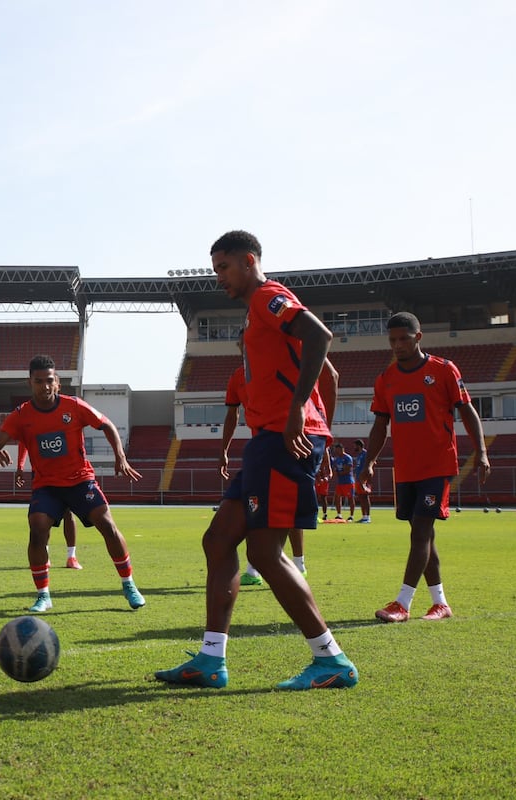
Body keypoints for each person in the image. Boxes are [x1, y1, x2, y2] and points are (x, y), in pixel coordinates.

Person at [155, 230, 357, 691]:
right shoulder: (254, 317)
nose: (218, 278)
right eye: (214, 271)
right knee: (218, 540)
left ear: (249, 261)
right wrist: (314, 420)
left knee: (264, 554)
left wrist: (298, 416)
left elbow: (320, 338)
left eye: (223, 268)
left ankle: (332, 660)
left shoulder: (269, 296)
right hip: (268, 441)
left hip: (283, 441)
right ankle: (211, 661)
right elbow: (330, 373)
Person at [0, 354, 144, 612]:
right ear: (30, 383)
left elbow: (107, 425)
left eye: (49, 381)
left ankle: (129, 585)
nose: (44, 386)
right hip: (47, 485)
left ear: (57, 382)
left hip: (80, 480)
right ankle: (43, 595)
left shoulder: (74, 406)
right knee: (37, 528)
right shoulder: (20, 415)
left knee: (107, 525)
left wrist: (120, 457)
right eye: (39, 381)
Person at [361, 312, 490, 623]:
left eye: (404, 339)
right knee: (424, 535)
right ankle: (440, 603)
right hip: (405, 469)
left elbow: (467, 411)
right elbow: (380, 425)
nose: (397, 345)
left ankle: (402, 604)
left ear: (418, 337)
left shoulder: (443, 370)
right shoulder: (386, 379)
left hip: (437, 464)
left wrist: (482, 452)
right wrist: (369, 461)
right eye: (392, 340)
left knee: (420, 532)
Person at [220, 329, 323, 582]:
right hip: (261, 447)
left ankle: (297, 564)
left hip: (288, 443)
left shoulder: (284, 366)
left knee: (286, 513)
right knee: (253, 512)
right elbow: (232, 415)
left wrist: (323, 440)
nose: (248, 350)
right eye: (243, 346)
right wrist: (223, 449)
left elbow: (327, 377)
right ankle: (255, 568)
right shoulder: (237, 379)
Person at [16, 442, 82, 569]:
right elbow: (24, 441)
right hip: (41, 472)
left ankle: (71, 557)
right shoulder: (31, 423)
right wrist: (20, 466)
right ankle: (44, 555)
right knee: (43, 513)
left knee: (68, 512)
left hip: (63, 470)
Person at [330, 442, 356, 521]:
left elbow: (348, 469)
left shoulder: (347, 458)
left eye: (338, 450)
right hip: (340, 482)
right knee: (338, 497)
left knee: (350, 498)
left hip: (348, 481)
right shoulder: (336, 459)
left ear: (342, 449)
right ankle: (339, 514)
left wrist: (340, 472)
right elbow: (334, 469)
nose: (337, 452)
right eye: (336, 450)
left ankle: (351, 515)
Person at [352, 439, 372, 523]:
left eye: (355, 445)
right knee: (360, 497)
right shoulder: (359, 455)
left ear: (359, 445)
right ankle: (364, 516)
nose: (354, 447)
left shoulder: (365, 454)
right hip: (358, 479)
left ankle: (368, 517)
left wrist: (366, 477)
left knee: (365, 497)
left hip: (364, 479)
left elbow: (372, 462)